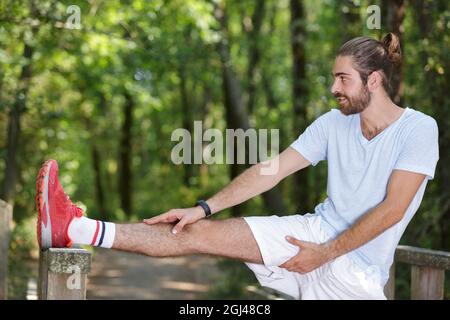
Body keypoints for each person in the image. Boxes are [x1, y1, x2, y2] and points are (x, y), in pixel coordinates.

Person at [35, 33, 439, 300]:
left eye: (343, 79)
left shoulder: (418, 130)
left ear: (373, 81)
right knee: (193, 232)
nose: (333, 88)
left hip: (357, 271)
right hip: (308, 235)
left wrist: (326, 253)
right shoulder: (334, 123)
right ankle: (72, 227)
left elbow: (393, 210)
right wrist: (204, 206)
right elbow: (272, 170)